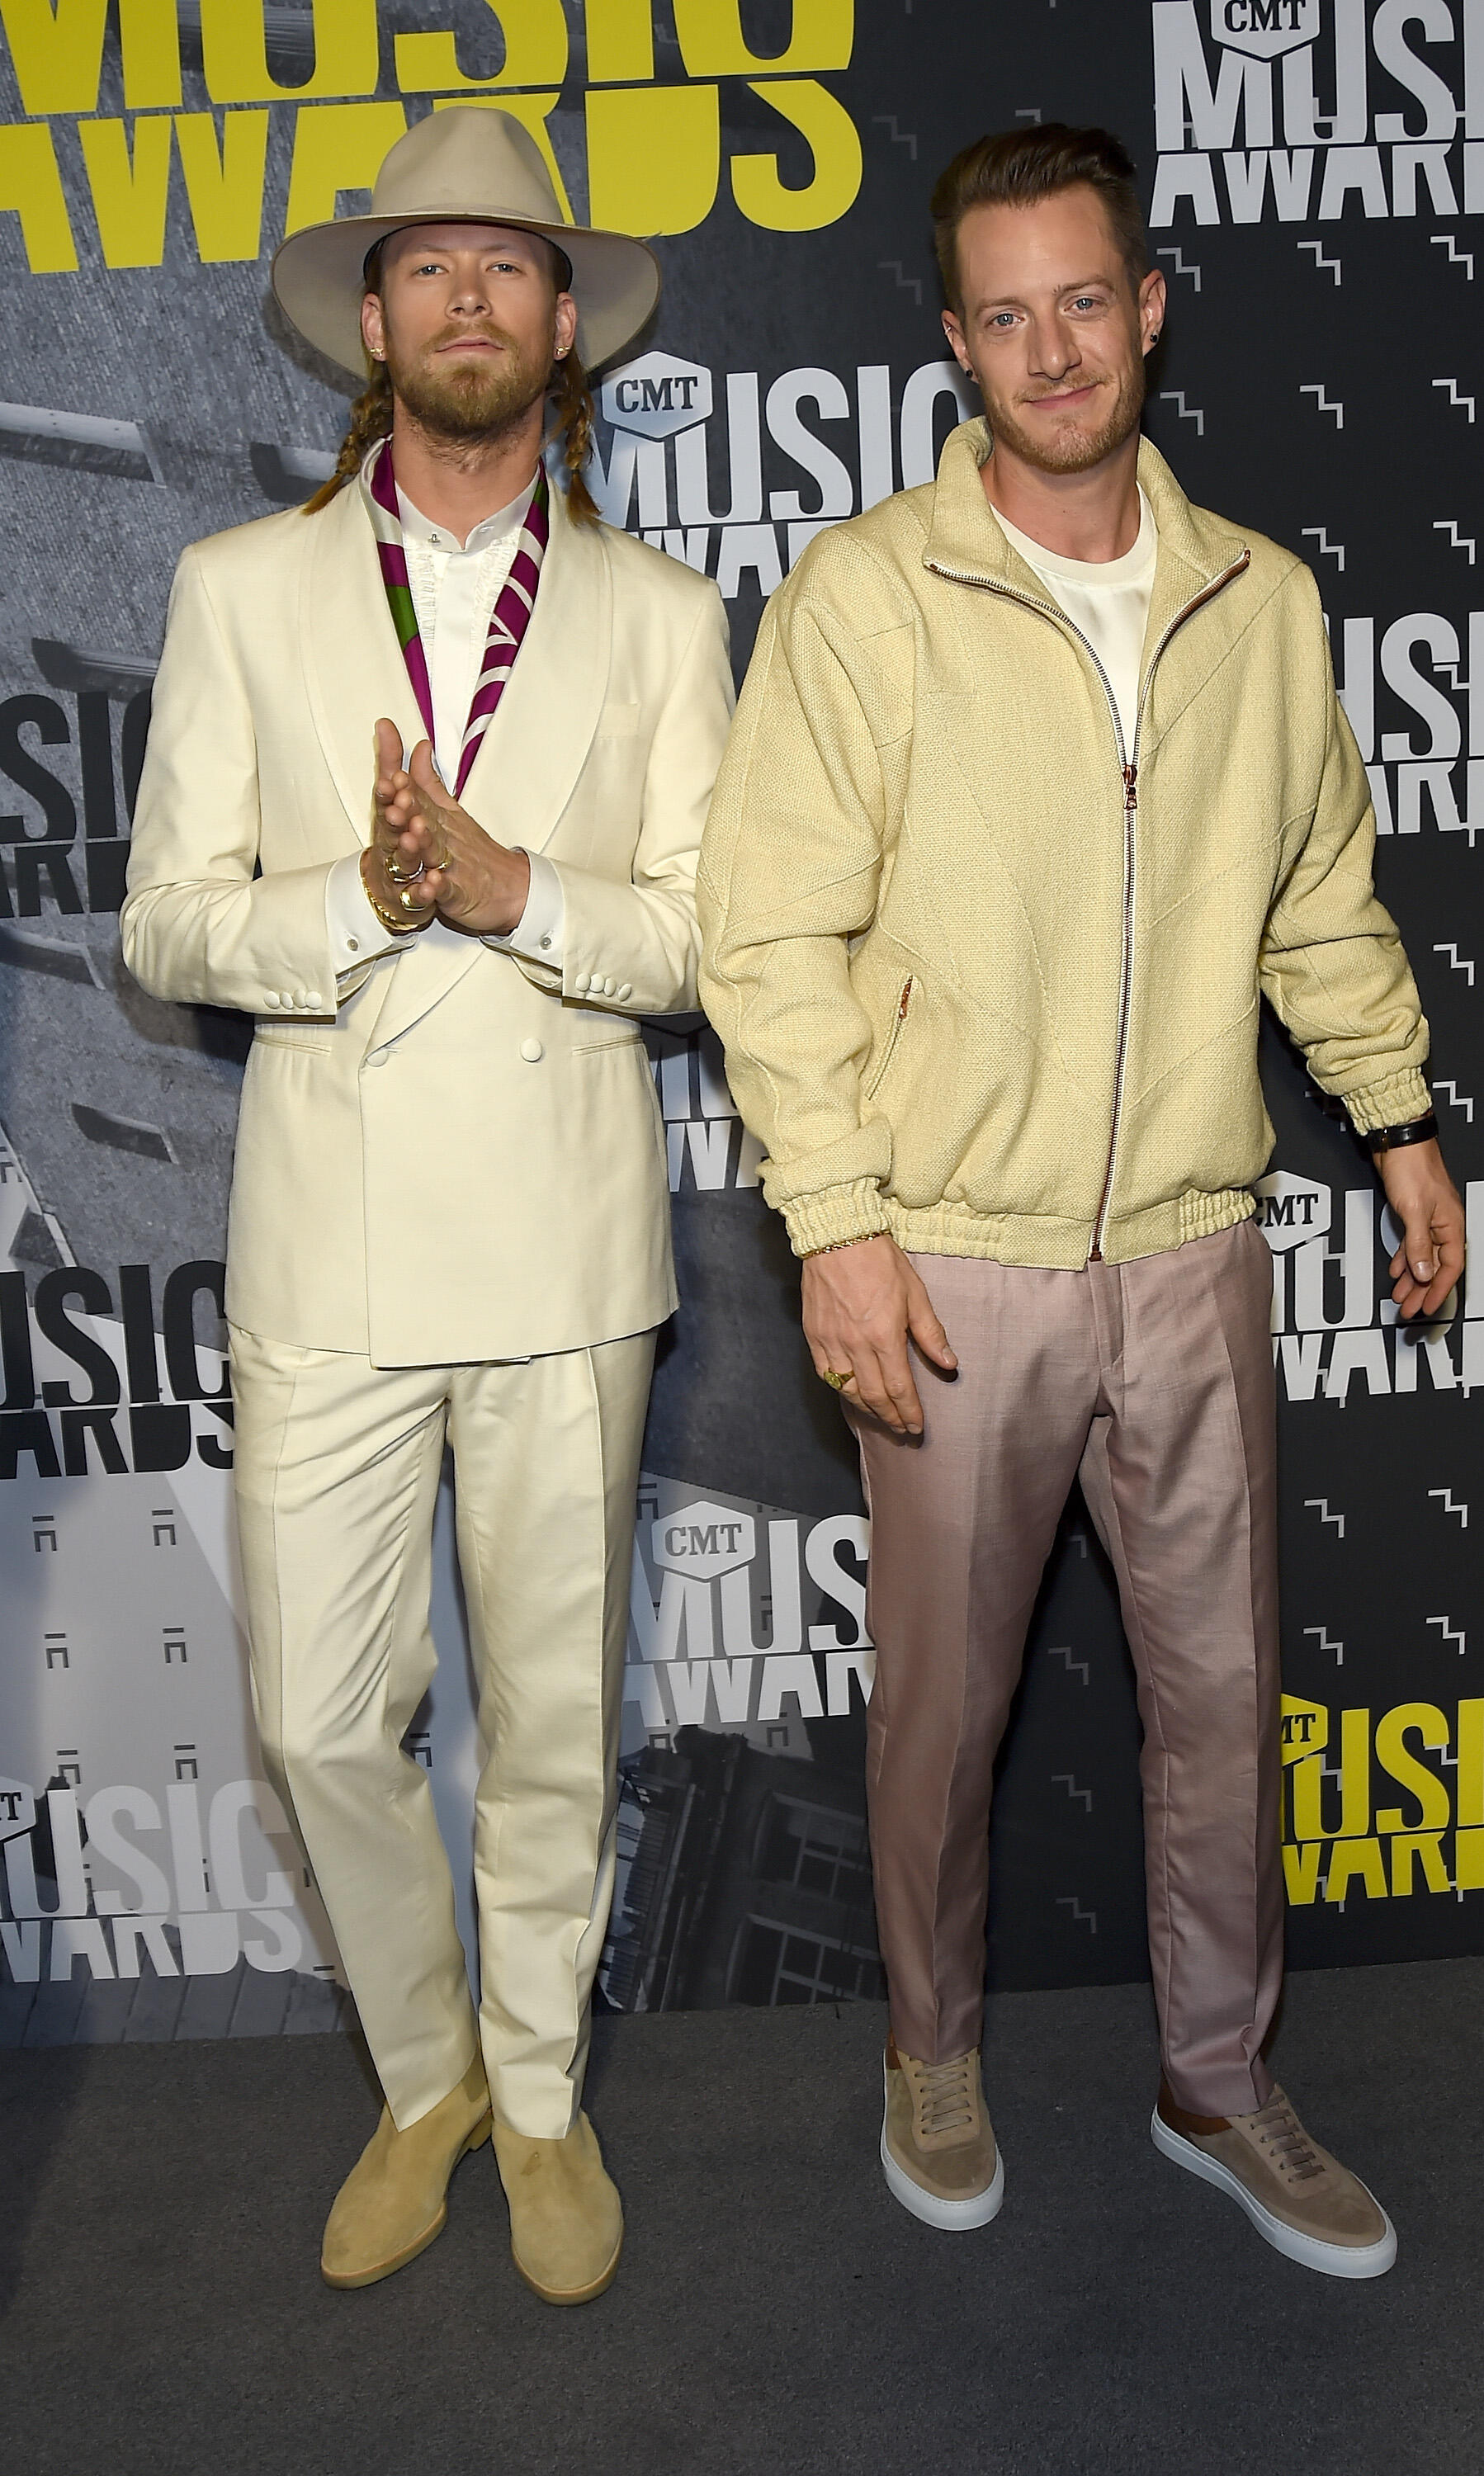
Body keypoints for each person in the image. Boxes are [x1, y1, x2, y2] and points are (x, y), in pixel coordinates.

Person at [697, 124, 1463, 2278]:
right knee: (945, 1713)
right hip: (951, 1262)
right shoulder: (867, 598)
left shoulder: (1263, 600)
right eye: (1005, 313)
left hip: (1197, 1253)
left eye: (1086, 299)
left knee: (1221, 1700)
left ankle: (1218, 2076)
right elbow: (763, 939)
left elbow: (1320, 895)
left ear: (1149, 307)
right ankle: (930, 2053)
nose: (1053, 346)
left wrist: (1397, 1117)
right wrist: (839, 1220)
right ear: (957, 342)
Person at [121, 107, 732, 2304]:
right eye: (429, 270)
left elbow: (704, 944)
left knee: (556, 1720)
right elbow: (168, 930)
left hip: (568, 1255)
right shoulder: (241, 592)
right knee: (308, 1722)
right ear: (370, 323)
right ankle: (422, 2071)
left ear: (564, 326)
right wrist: (362, 904)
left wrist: (513, 889)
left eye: (510, 271)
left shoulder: (665, 618)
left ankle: (544, 2099)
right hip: (332, 1254)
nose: (470, 302)